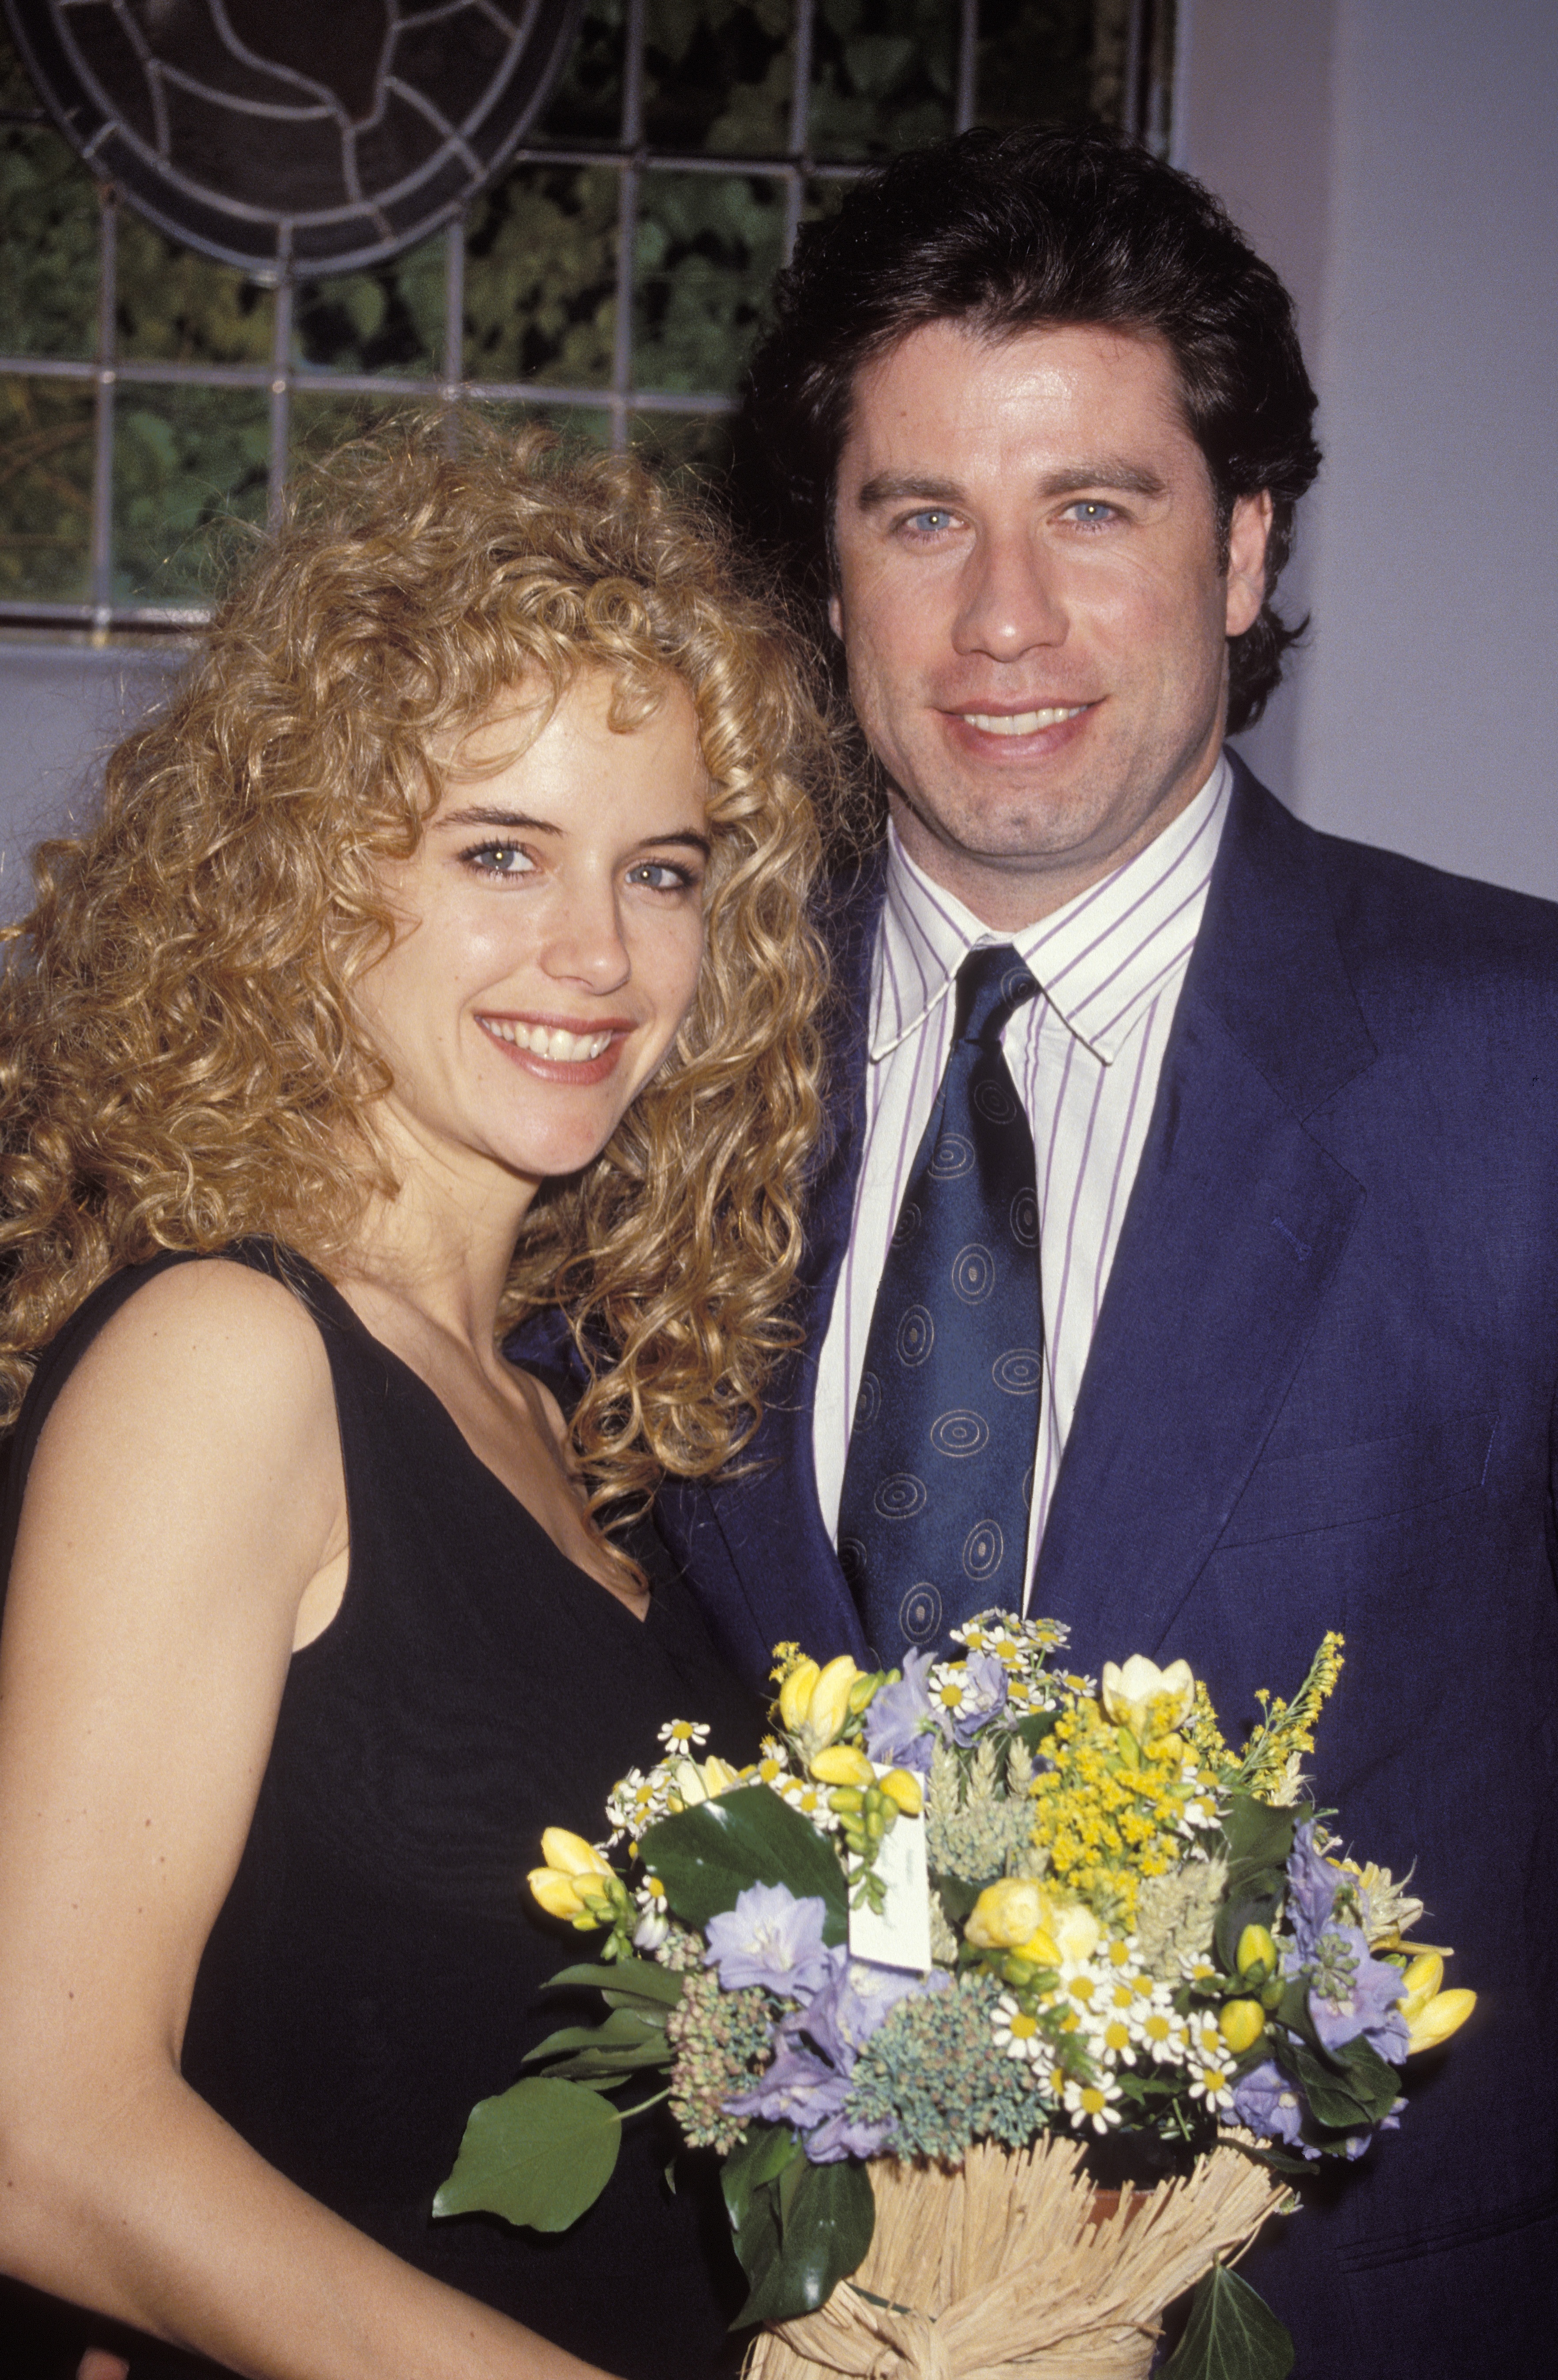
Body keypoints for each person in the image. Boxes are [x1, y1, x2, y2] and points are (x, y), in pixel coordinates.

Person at [637, 127, 1558, 2374]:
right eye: (920, 514)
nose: (1004, 622)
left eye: (1095, 508)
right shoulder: (635, 1061)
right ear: (824, 571)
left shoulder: (1518, 1074)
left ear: (1242, 550)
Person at [0, 421, 832, 2380]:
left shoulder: (570, 1432)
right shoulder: (227, 1361)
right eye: (498, 851)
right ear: (307, 873)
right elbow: (40, 2124)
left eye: (662, 869)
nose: (596, 954)